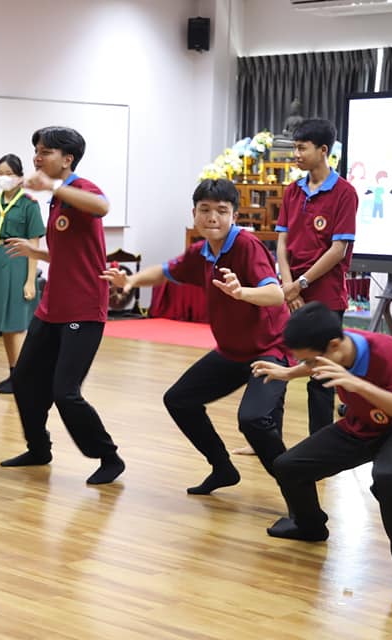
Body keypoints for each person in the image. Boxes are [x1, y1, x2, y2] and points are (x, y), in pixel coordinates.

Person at [103, 178, 291, 494]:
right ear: (194, 213)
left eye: (221, 211)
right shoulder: (200, 252)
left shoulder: (246, 245)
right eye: (205, 210)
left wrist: (241, 292)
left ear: (234, 215)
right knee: (179, 400)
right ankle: (222, 468)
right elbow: (165, 271)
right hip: (232, 351)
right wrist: (131, 281)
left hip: (270, 348)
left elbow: (276, 295)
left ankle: (296, 490)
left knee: (252, 419)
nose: (212, 217)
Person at [253, 302, 392, 592]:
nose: (310, 366)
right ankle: (309, 526)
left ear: (333, 346)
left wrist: (358, 385)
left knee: (387, 476)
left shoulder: (387, 353)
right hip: (363, 424)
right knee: (287, 466)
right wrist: (288, 373)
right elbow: (315, 363)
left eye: (311, 361)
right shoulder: (336, 347)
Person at [0, 126, 125, 485]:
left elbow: (103, 206)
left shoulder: (80, 189)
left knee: (65, 392)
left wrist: (53, 186)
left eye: (45, 152)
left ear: (67, 159)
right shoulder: (56, 199)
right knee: (24, 380)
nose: (37, 158)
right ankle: (38, 449)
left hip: (83, 309)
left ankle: (108, 456)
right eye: (36, 151)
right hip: (52, 306)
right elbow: (67, 254)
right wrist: (35, 251)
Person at [275, 118, 357, 435]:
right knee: (278, 363)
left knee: (322, 375)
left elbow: (338, 250)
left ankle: (320, 445)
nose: (296, 154)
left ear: (323, 150)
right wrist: (288, 286)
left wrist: (300, 284)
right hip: (291, 293)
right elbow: (282, 243)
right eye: (295, 148)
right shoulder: (292, 191)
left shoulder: (344, 193)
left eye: (302, 148)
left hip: (325, 296)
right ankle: (265, 435)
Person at [0, 153, 45, 394]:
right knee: (4, 324)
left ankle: (23, 377)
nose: (4, 177)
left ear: (20, 176)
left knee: (16, 323)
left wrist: (30, 280)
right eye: (0, 173)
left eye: (9, 173)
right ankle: (13, 373)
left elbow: (34, 242)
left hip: (18, 261)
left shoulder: (29, 204)